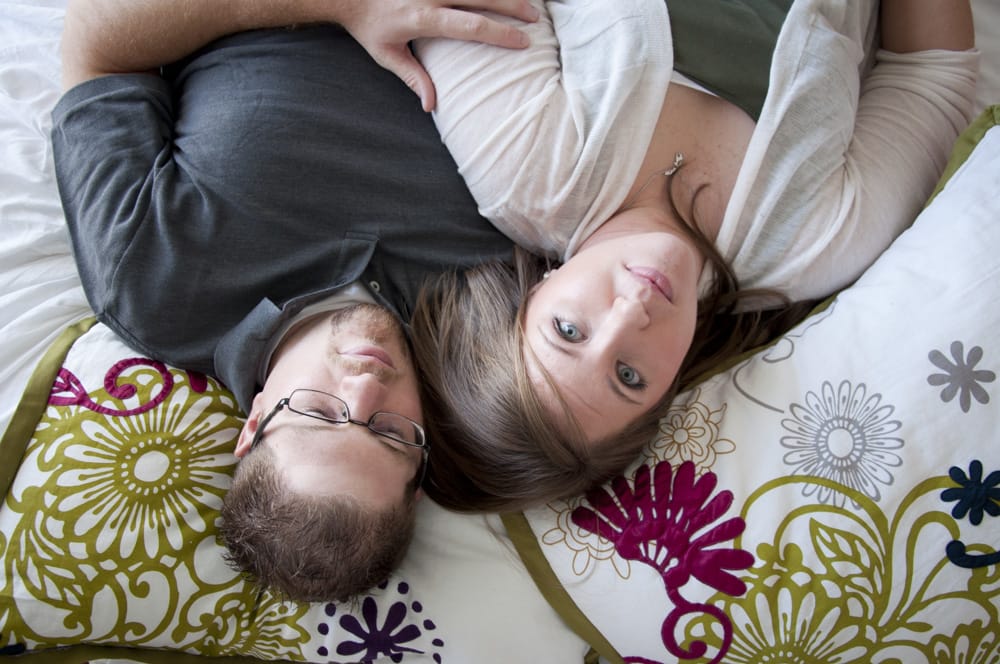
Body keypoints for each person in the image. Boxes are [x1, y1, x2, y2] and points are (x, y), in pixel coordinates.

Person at [406, 0, 981, 511]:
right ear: (669, 391)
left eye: (569, 330)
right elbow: (929, 73)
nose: (631, 313)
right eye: (628, 376)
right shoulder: (816, 243)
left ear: (531, 297)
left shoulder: (523, 166)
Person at [52, 0, 540, 601]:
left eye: (320, 414)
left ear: (254, 421)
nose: (364, 387)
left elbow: (95, 37)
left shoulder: (152, 282)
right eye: (389, 434)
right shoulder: (501, 339)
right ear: (420, 470)